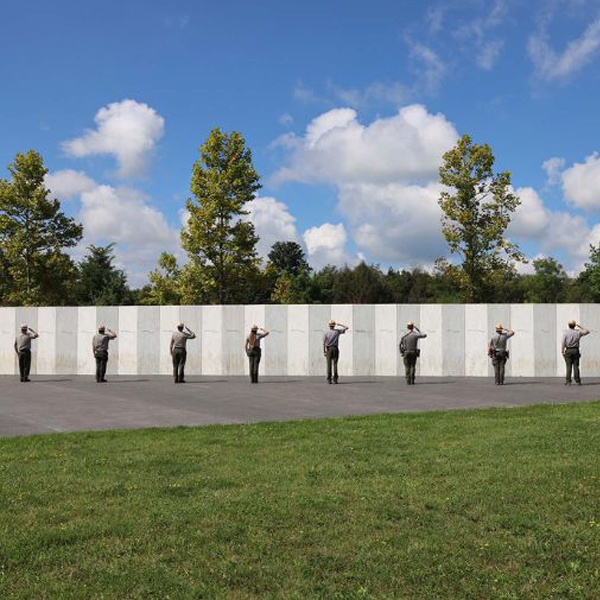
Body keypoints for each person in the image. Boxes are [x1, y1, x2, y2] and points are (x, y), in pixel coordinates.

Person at [561, 320, 590, 385]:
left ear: (568, 325)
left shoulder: (565, 333)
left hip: (568, 350)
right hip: (576, 350)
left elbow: (563, 342)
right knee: (576, 366)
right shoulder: (578, 332)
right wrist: (580, 326)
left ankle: (568, 381)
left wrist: (562, 351)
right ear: (574, 326)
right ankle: (577, 380)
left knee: (568, 366)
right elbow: (588, 331)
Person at [323, 320, 349, 384]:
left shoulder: (326, 333)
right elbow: (346, 327)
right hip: (335, 348)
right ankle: (335, 379)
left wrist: (324, 351)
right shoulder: (337, 331)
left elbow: (324, 343)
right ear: (334, 325)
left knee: (329, 365)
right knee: (335, 364)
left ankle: (329, 379)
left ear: (329, 325)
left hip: (329, 349)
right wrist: (340, 324)